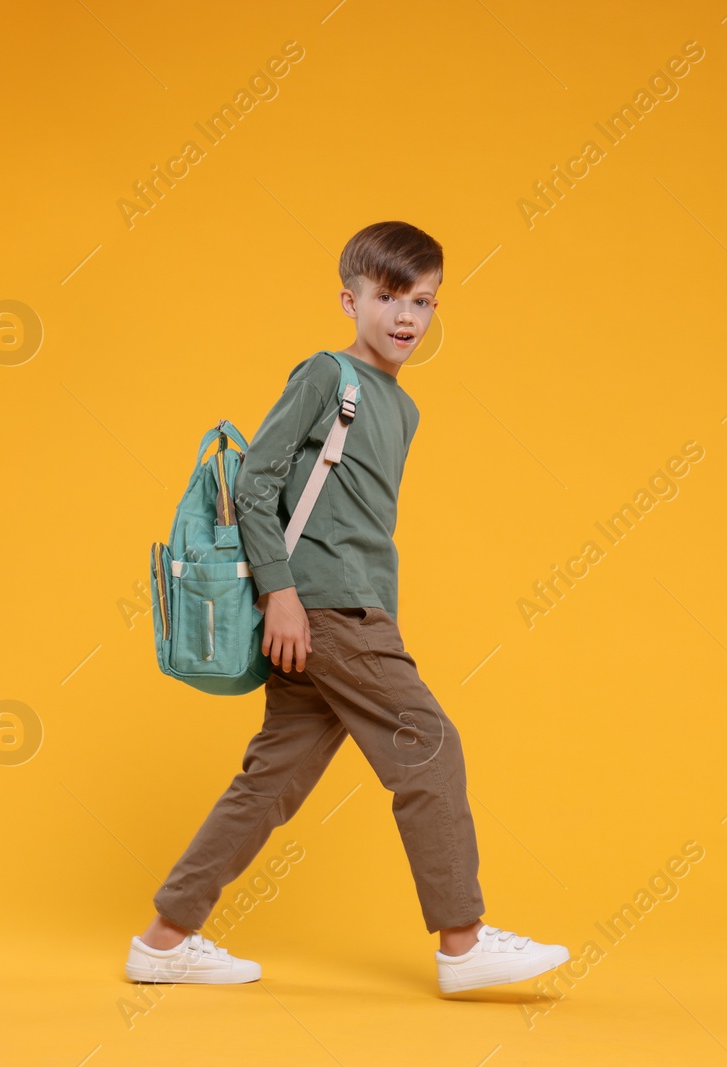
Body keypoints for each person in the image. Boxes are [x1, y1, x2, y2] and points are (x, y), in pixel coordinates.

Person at [124, 220, 568, 995]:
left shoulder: (406, 407)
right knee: (430, 744)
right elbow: (257, 485)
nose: (406, 316)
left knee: (269, 783)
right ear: (350, 298)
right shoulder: (328, 376)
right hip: (324, 610)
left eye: (423, 301)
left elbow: (359, 518)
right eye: (390, 297)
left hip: (357, 611)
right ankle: (463, 944)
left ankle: (163, 940)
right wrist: (283, 595)